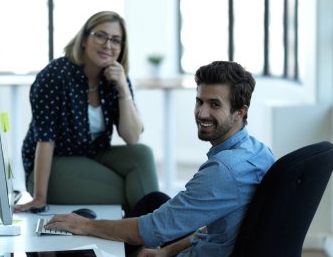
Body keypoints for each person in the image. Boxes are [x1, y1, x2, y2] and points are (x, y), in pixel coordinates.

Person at [44, 61, 276, 257]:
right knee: (154, 199)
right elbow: (217, 225)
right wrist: (166, 251)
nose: (202, 113)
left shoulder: (223, 170)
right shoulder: (259, 151)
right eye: (199, 101)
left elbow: (150, 230)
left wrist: (86, 225)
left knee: (84, 247)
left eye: (215, 104)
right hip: (206, 245)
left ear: (240, 112)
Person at [14, 11, 159, 213]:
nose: (108, 45)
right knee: (135, 192)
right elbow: (45, 140)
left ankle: (147, 235)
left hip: (93, 155)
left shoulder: (116, 77)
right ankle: (147, 235)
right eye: (100, 36)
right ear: (84, 39)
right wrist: (39, 197)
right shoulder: (55, 75)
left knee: (142, 154)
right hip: (56, 162)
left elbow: (132, 137)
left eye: (116, 40)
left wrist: (123, 88)